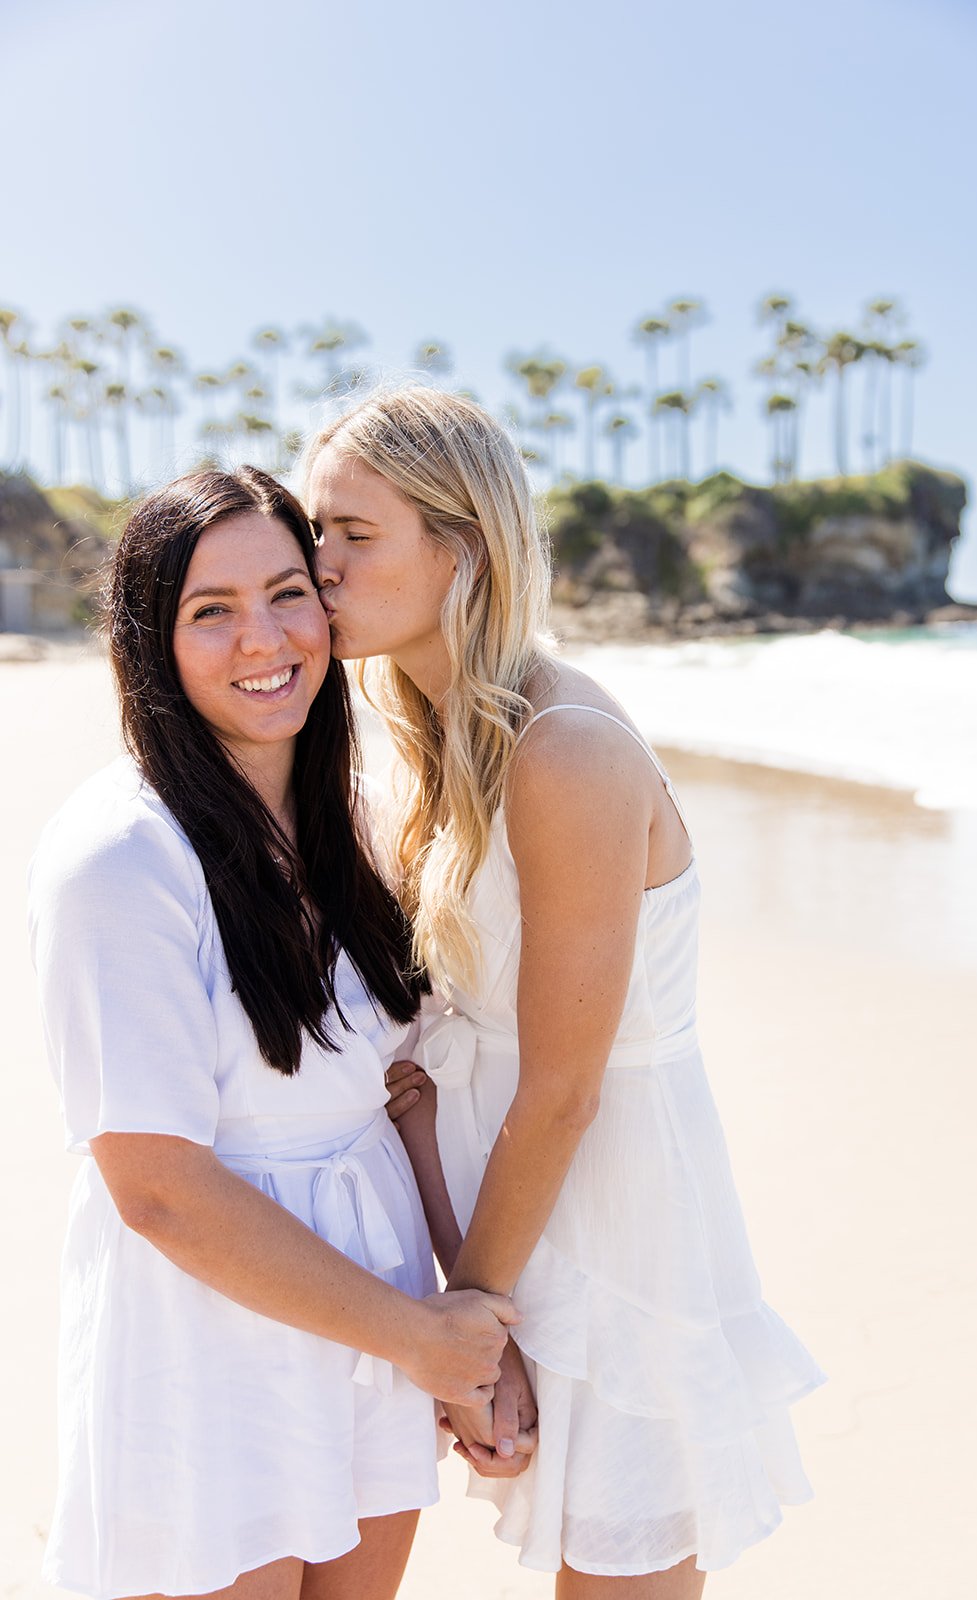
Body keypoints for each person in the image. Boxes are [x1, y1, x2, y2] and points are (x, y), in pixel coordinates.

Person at [305, 386, 826, 1598]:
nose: (318, 563)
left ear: (461, 546)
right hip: (504, 1210)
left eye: (352, 533)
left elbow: (563, 1088)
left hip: (608, 1217)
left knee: (619, 1568)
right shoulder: (439, 736)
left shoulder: (565, 750)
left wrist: (465, 1327)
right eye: (313, 530)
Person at [27, 466, 518, 1600]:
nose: (264, 636)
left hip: (377, 1315)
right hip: (212, 1336)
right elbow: (155, 1186)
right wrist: (415, 1334)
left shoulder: (356, 821)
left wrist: (458, 1319)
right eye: (210, 610)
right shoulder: (120, 857)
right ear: (151, 640)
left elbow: (399, 1088)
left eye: (287, 592)